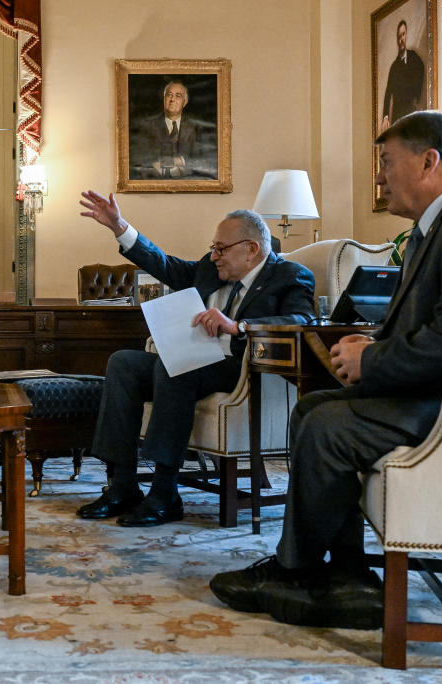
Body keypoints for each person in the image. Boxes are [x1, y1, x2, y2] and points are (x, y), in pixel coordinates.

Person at [208, 111, 442, 629]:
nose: (378, 176)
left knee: (330, 425)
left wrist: (373, 359)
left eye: (385, 161)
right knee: (314, 407)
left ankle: (300, 572)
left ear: (430, 162)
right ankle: (346, 576)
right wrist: (374, 342)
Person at [75, 191, 315, 526]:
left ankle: (164, 493)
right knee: (124, 363)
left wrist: (238, 326)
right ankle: (123, 485)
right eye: (212, 248)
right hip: (200, 362)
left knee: (178, 366)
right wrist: (119, 226)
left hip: (244, 370)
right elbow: (166, 265)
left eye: (221, 248)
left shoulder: (289, 275)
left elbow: (303, 321)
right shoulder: (211, 269)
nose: (214, 256)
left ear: (252, 249)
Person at [132, 81, 215, 178]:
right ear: (164, 99)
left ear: (185, 102)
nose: (172, 99)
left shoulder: (196, 128)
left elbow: (206, 159)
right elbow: (138, 158)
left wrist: (179, 161)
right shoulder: (148, 126)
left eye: (178, 96)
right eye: (169, 95)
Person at [379, 19, 427, 132]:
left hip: (411, 111)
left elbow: (421, 71)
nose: (401, 39)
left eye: (403, 34)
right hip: (397, 115)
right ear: (397, 39)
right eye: (399, 36)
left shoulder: (414, 57)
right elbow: (388, 93)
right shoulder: (394, 67)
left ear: (406, 36)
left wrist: (417, 97)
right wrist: (386, 116)